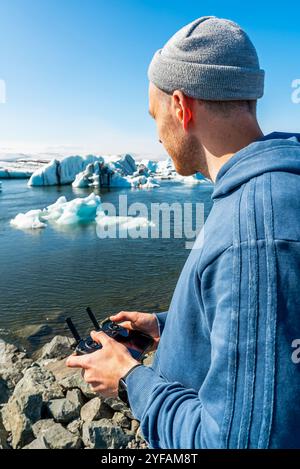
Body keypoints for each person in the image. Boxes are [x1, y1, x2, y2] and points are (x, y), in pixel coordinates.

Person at [67, 16, 300, 448]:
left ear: (181, 107)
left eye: (154, 116)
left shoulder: (254, 234)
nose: (156, 135)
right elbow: (273, 325)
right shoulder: (270, 191)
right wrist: (168, 326)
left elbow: (235, 442)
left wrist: (129, 379)